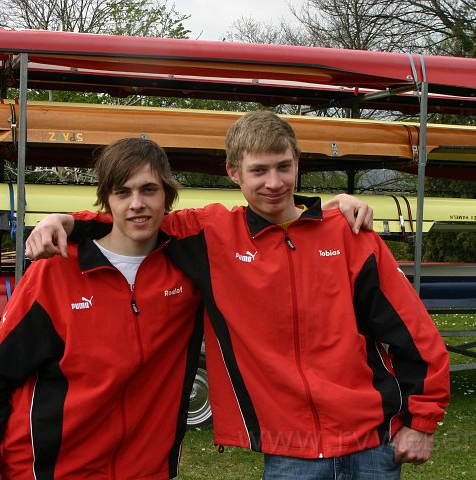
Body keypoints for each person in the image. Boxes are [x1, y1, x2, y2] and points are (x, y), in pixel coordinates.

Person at [27, 111, 450, 479]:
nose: (274, 183)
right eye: (259, 171)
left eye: (283, 167)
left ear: (298, 163)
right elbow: (135, 214)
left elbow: (413, 332)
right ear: (233, 173)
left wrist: (422, 422)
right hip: (290, 453)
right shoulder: (211, 235)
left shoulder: (349, 234)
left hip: (373, 444)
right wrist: (63, 221)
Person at [0, 138, 205, 479]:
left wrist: (69, 221)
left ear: (167, 195)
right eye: (122, 192)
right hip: (51, 469)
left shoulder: (187, 267)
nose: (137, 203)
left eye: (149, 190)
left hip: (144, 470)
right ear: (107, 199)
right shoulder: (56, 272)